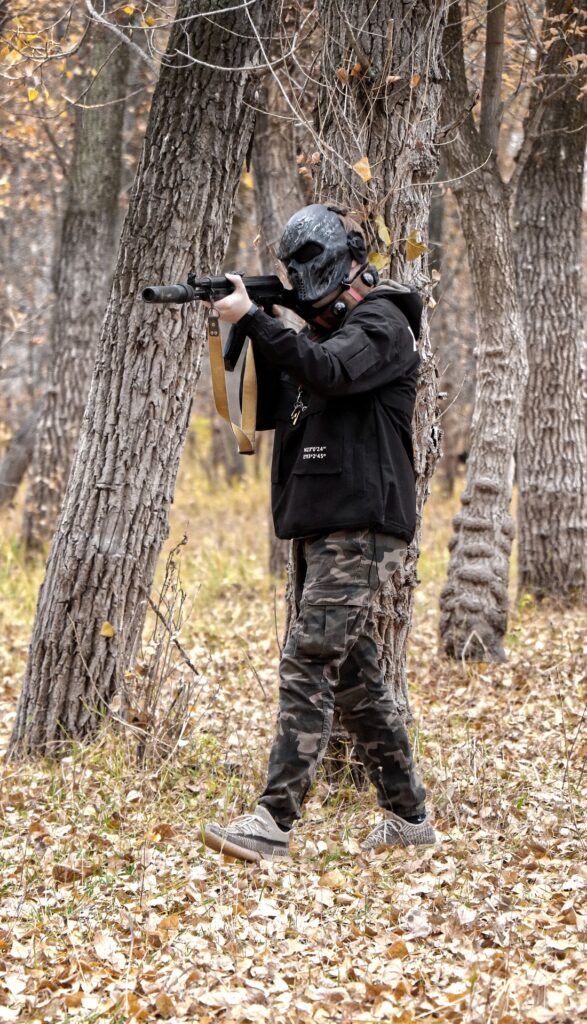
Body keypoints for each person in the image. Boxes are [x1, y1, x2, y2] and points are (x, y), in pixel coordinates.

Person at [200, 204, 435, 862]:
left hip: (358, 527)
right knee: (355, 679)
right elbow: (267, 406)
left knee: (307, 659)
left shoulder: (383, 325)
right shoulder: (321, 340)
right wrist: (250, 329)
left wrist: (257, 319)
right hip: (321, 526)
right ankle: (408, 817)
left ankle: (271, 823)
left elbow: (330, 370)